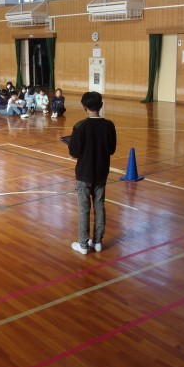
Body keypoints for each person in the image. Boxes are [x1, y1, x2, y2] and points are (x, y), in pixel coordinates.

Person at [68, 91, 117, 255]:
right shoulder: (109, 125)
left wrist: (72, 143)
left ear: (84, 107)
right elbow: (111, 149)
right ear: (101, 105)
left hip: (84, 173)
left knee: (84, 209)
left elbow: (74, 152)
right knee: (99, 206)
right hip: (101, 172)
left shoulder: (80, 126)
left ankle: (83, 244)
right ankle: (97, 242)